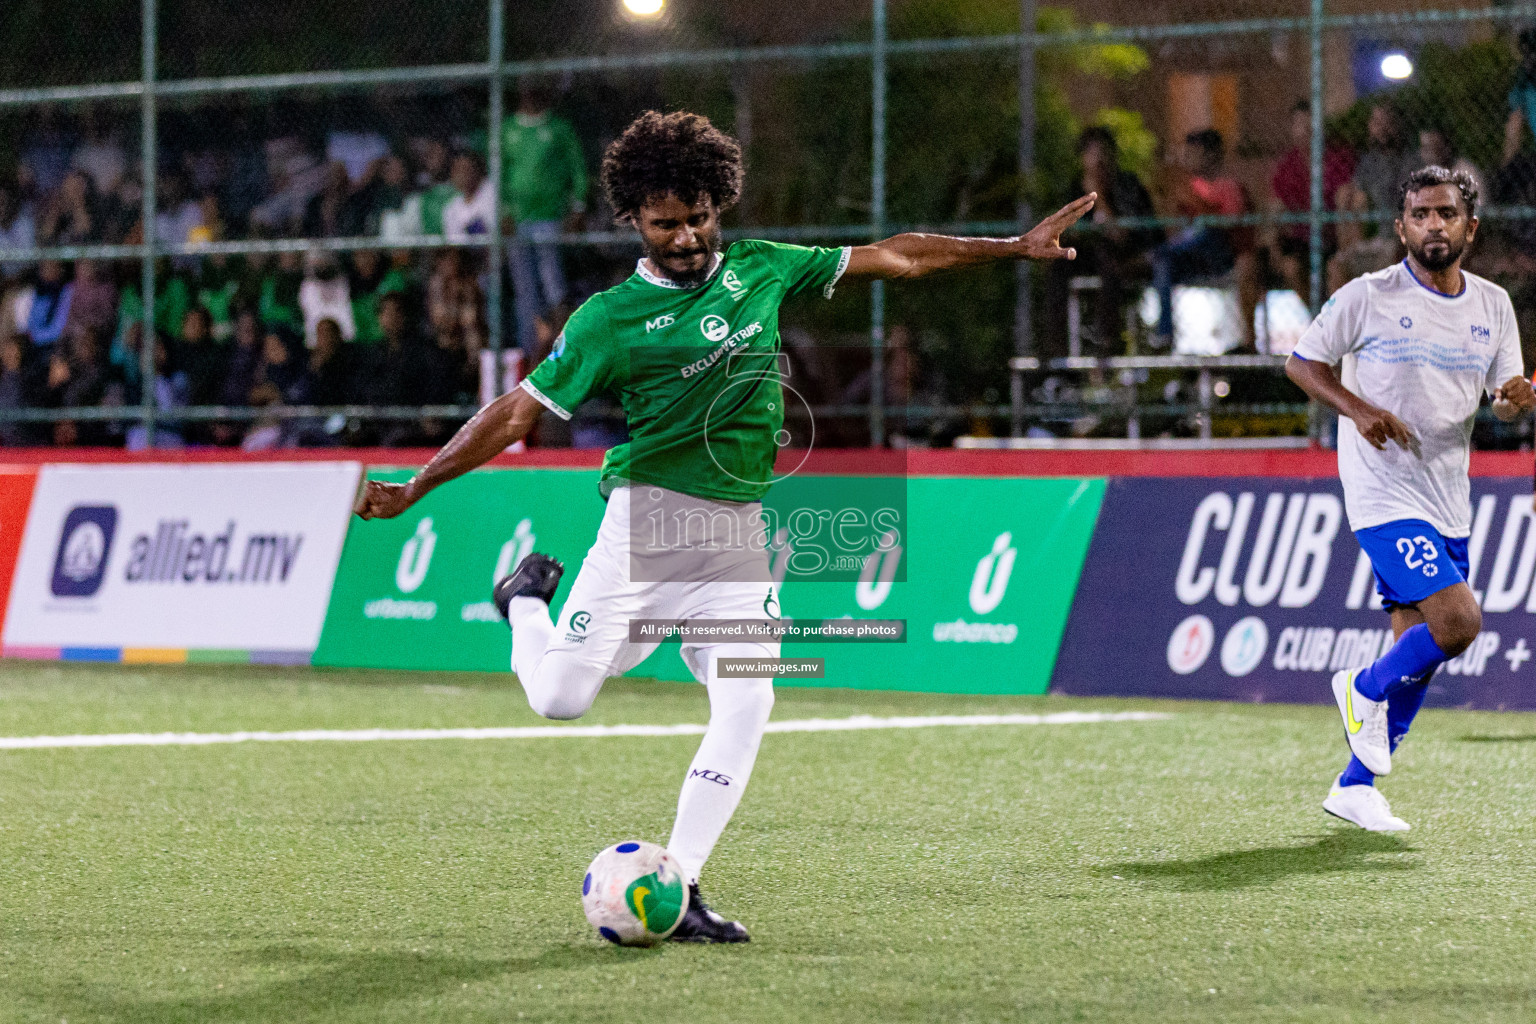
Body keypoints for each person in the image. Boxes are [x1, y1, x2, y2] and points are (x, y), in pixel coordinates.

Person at [354, 110, 1095, 941]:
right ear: (633, 219)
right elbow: (518, 412)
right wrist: (417, 485)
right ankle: (525, 600)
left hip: (738, 538)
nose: (686, 237)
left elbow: (896, 254)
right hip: (645, 533)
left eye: (699, 217)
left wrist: (1010, 248)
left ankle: (685, 881)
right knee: (561, 697)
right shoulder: (609, 319)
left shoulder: (763, 268)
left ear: (720, 205)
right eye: (665, 223)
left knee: (747, 700)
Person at [1285, 166, 1535, 831]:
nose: (1433, 224)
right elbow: (1302, 363)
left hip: (1447, 493)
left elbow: (1502, 399)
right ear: (1401, 227)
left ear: (1469, 228)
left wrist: (1513, 402)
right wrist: (1358, 409)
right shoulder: (1367, 295)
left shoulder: (1492, 306)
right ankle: (1358, 688)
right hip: (1381, 490)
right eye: (1420, 214)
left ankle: (1356, 786)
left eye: (1445, 214)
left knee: (1419, 648)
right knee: (1459, 623)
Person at [1043, 126, 1157, 356]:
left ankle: (1106, 340)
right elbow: (1064, 232)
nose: (1098, 162)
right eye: (1091, 155)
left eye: (1102, 154)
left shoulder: (1127, 186)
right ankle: (1054, 345)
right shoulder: (1077, 187)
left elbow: (1122, 237)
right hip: (1091, 255)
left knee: (1108, 258)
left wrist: (1099, 197)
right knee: (1059, 264)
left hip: (1129, 255)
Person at [500, 79, 588, 356]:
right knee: (525, 291)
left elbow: (578, 170)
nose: (529, 91)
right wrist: (504, 211)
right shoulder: (508, 129)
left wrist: (578, 207)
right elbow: (500, 173)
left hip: (551, 217)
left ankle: (563, 352)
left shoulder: (559, 128)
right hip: (519, 220)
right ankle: (531, 354)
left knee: (554, 286)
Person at [1150, 128, 1253, 348]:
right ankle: (1164, 332)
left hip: (1221, 253)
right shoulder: (1187, 187)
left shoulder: (1228, 186)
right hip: (1192, 257)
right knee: (1162, 259)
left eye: (1193, 153)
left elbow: (1231, 225)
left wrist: (1196, 202)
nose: (1187, 159)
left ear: (1211, 155)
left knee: (1206, 233)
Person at [1269, 100, 1356, 296]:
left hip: (1333, 237)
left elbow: (1347, 196)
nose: (1306, 131)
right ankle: (1317, 317)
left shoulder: (1338, 158)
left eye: (1311, 125)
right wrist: (1274, 246)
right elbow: (1277, 206)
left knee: (1337, 268)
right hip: (1302, 237)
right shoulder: (1287, 165)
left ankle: (1336, 317)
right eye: (1300, 125)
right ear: (1292, 129)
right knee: (1291, 267)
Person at [441, 152, 496, 242]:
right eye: (457, 170)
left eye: (465, 169)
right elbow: (455, 246)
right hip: (469, 254)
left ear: (477, 170)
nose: (461, 175)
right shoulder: (450, 208)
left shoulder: (492, 192)